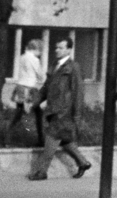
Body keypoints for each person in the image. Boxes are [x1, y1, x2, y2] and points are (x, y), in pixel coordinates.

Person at [28, 40, 92, 180]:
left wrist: (77, 116)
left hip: (65, 112)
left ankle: (42, 172)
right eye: (56, 47)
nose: (57, 50)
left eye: (61, 48)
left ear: (69, 50)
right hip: (53, 110)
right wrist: (35, 102)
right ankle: (83, 162)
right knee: (64, 139)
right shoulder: (55, 66)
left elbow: (79, 93)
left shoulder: (74, 67)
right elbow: (46, 88)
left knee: (51, 138)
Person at [6, 38, 46, 146]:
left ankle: (7, 140)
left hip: (20, 88)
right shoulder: (34, 59)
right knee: (38, 114)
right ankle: (41, 140)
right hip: (29, 89)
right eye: (40, 51)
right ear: (36, 49)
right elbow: (40, 75)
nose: (41, 53)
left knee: (18, 114)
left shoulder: (22, 57)